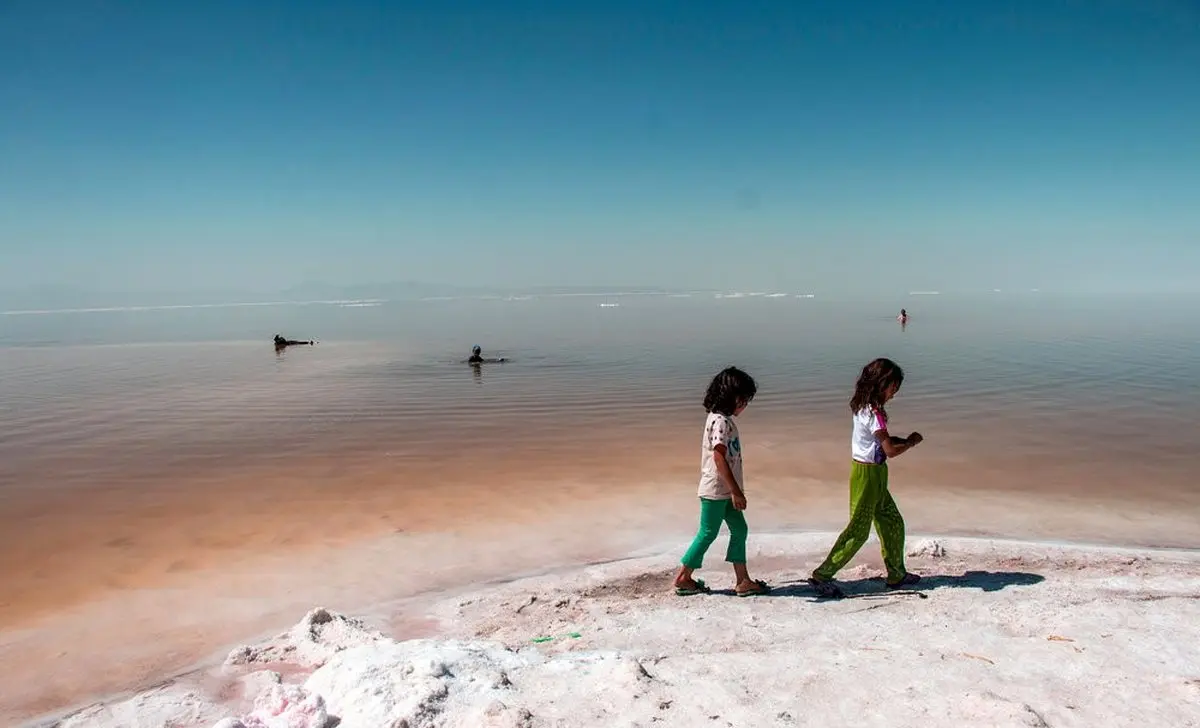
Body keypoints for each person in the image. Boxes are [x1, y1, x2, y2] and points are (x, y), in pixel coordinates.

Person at [808, 357, 924, 599]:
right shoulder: (873, 413)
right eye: (893, 388)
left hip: (876, 473)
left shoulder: (864, 407)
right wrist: (911, 442)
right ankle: (823, 574)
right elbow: (890, 450)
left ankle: (896, 574)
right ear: (880, 385)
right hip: (867, 475)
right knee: (858, 532)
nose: (894, 393)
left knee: (892, 522)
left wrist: (903, 441)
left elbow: (883, 444)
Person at [673, 366, 771, 597]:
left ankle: (743, 580)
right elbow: (719, 457)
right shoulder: (720, 423)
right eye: (745, 400)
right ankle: (683, 577)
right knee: (707, 532)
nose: (746, 405)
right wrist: (736, 491)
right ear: (734, 398)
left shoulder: (720, 419)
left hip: (724, 490)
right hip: (717, 490)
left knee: (740, 529)